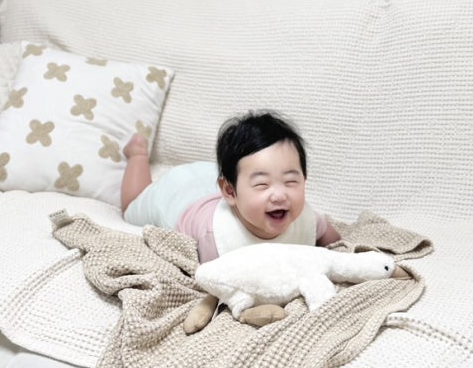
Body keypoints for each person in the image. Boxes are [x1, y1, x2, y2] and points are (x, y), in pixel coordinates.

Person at [121, 110, 341, 263]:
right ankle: (137, 154)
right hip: (177, 195)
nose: (279, 195)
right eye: (262, 184)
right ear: (229, 191)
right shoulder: (214, 240)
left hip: (214, 178)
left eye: (291, 181)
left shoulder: (308, 220)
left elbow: (337, 247)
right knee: (130, 207)